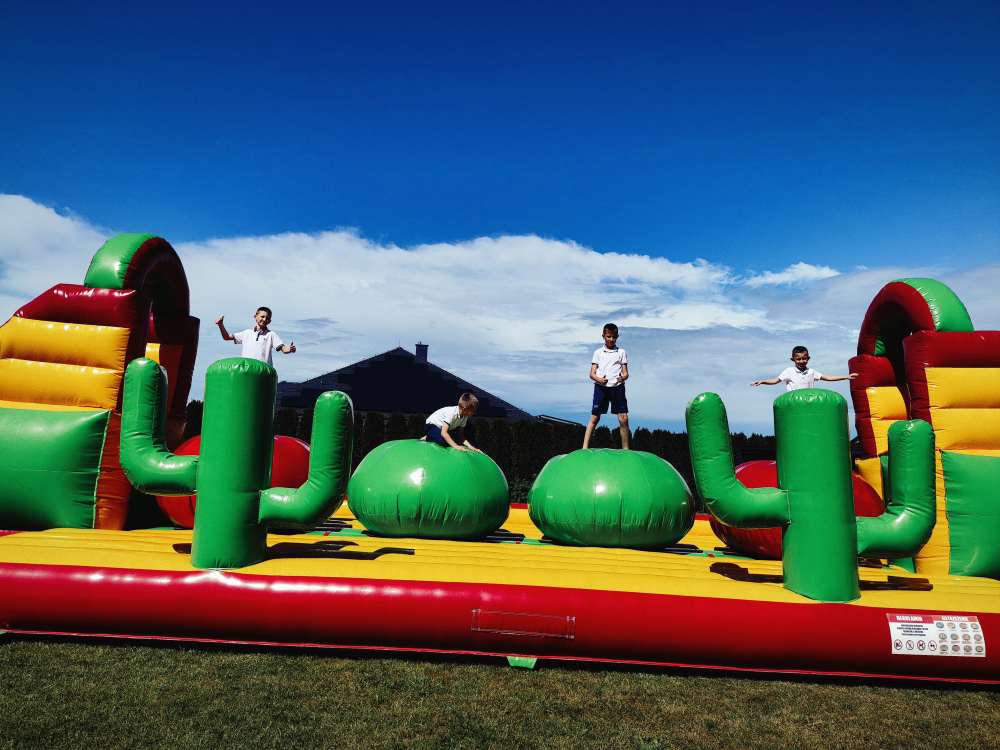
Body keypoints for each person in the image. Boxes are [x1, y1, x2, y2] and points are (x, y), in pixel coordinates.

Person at [583, 323, 630, 449]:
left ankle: (626, 449)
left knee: (624, 418)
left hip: (617, 387)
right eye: (608, 336)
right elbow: (591, 374)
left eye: (614, 337)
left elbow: (626, 373)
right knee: (595, 417)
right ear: (603, 336)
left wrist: (623, 377)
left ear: (617, 337)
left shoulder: (621, 352)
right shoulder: (598, 353)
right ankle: (584, 447)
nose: (611, 339)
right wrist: (599, 379)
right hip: (601, 388)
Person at [215, 306, 296, 366]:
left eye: (267, 318)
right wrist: (221, 325)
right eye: (262, 316)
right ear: (255, 317)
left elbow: (283, 349)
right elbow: (227, 337)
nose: (264, 319)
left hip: (263, 372)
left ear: (269, 321)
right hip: (247, 370)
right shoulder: (247, 333)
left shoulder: (271, 335)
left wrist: (289, 349)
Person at [752, 345, 857, 390]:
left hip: (808, 401)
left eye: (804, 358)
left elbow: (827, 377)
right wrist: (763, 381)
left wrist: (846, 377)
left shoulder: (811, 372)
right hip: (794, 402)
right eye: (798, 359)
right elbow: (775, 380)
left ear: (808, 358)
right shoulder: (789, 371)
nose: (802, 361)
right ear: (793, 360)